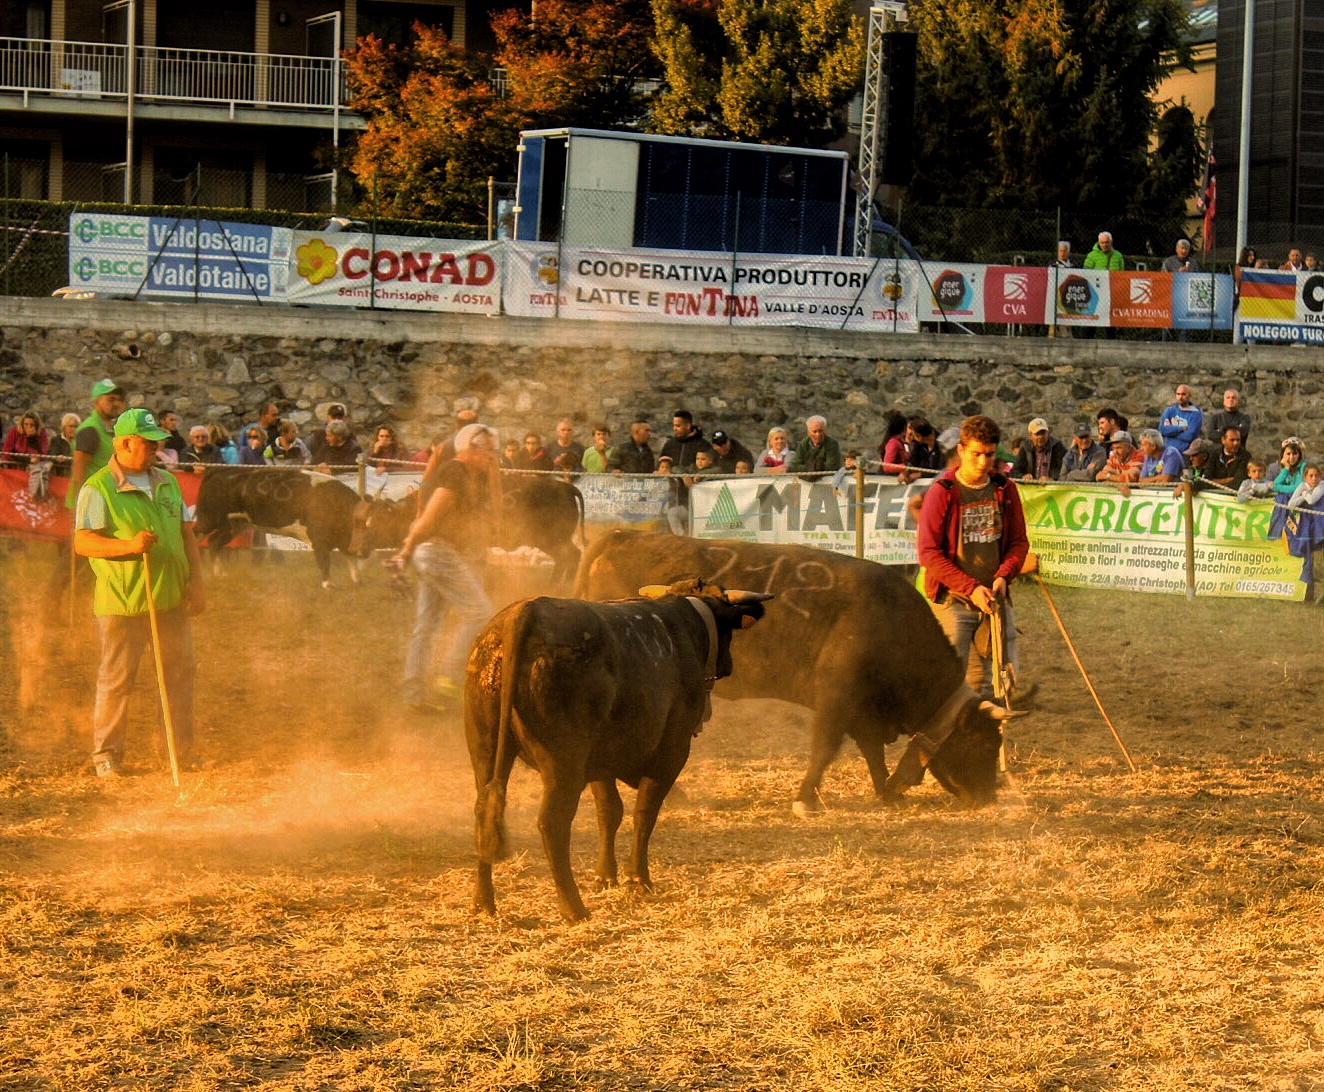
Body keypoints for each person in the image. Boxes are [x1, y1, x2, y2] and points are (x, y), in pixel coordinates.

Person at [73, 408, 205, 777]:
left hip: (171, 599)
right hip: (124, 601)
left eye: (157, 444)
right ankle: (106, 756)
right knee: (117, 680)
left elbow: (186, 533)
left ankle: (181, 752)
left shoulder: (167, 482)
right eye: (148, 444)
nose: (156, 451)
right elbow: (83, 543)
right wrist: (127, 546)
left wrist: (197, 582)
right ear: (124, 443)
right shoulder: (98, 488)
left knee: (180, 674)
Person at [916, 414, 1029, 700]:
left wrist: (1005, 574)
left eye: (989, 455)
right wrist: (971, 588)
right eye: (976, 454)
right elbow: (928, 553)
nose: (983, 462)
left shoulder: (1005, 489)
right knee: (952, 683)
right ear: (962, 450)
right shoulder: (943, 492)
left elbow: (1018, 542)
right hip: (954, 600)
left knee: (1001, 682)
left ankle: (988, 740)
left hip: (994, 598)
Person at [393, 422, 500, 712]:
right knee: (482, 614)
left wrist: (493, 476)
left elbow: (494, 515)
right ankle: (449, 677)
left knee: (425, 625)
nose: (493, 457)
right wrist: (406, 547)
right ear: (472, 447)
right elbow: (429, 518)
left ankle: (414, 693)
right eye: (489, 451)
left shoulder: (470, 475)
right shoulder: (455, 472)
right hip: (437, 552)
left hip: (436, 553)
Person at [67, 378, 127, 512]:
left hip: (107, 500)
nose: (116, 404)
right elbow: (78, 469)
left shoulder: (110, 429)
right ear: (96, 402)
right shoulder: (90, 430)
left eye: (119, 400)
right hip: (91, 503)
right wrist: (77, 505)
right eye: (111, 399)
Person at [1270, 437, 1305, 539]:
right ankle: (1275, 536)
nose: (1291, 457)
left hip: (1300, 502)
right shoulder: (1285, 468)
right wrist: (1286, 468)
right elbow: (1274, 485)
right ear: (1283, 455)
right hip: (1287, 502)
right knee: (1282, 498)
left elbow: (1298, 488)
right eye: (1288, 454)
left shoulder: (1304, 466)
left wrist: (1279, 488)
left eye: (1294, 454)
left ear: (1299, 455)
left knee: (1283, 497)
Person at [1010, 418, 1066, 482]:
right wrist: (1023, 476)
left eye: (1043, 433)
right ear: (1030, 435)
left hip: (1052, 489)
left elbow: (1064, 469)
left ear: (1048, 433)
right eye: (1037, 434)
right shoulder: (1025, 447)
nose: (1040, 437)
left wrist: (1051, 478)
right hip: (1031, 488)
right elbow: (1015, 470)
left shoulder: (1057, 446)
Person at [1158, 384, 1203, 454]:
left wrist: (1170, 432)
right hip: (1168, 452)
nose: (1180, 397)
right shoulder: (1169, 411)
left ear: (1189, 396)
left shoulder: (1195, 414)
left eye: (1183, 394)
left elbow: (1189, 436)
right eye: (1178, 394)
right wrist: (1180, 429)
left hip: (1185, 453)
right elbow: (1162, 430)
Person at [49, 412, 80, 477]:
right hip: (61, 474)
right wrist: (58, 457)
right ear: (64, 427)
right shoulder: (56, 440)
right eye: (71, 426)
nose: (74, 429)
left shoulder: (81, 440)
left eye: (76, 426)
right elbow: (53, 453)